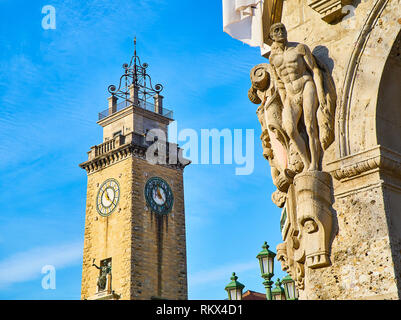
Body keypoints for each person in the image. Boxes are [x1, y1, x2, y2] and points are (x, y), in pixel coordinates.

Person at [268, 22, 327, 171]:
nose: (281, 32)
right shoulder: (272, 59)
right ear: (272, 36)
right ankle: (306, 163)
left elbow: (315, 70)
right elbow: (279, 84)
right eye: (277, 30)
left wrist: (321, 94)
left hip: (306, 85)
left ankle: (314, 163)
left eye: (283, 29)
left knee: (310, 124)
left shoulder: (300, 48)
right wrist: (285, 103)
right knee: (289, 129)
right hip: (290, 94)